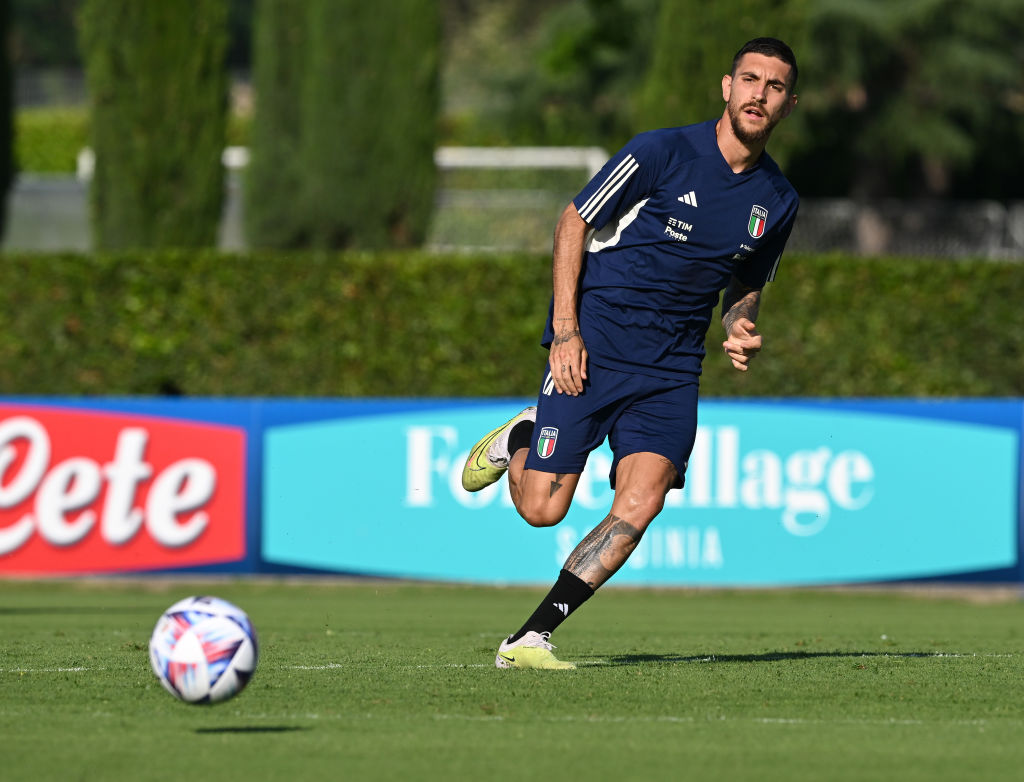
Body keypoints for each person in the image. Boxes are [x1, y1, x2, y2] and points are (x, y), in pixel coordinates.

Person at [462, 37, 800, 669]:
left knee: (639, 506)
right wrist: (565, 331)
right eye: (750, 79)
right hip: (593, 349)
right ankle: (519, 440)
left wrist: (741, 323)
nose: (760, 93)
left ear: (788, 104)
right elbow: (573, 223)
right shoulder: (661, 151)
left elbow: (745, 284)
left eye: (775, 86)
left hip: (672, 372)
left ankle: (531, 637)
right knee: (541, 509)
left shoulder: (777, 200)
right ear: (726, 87)